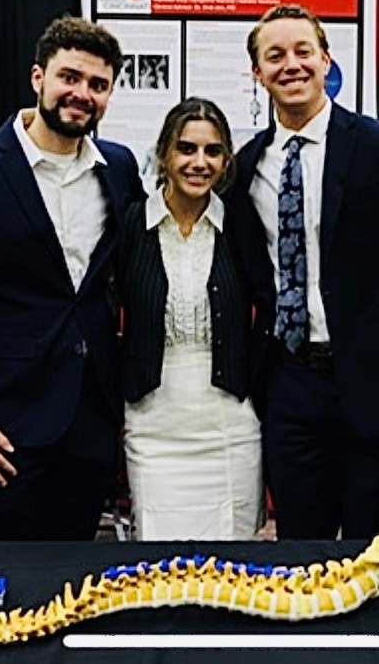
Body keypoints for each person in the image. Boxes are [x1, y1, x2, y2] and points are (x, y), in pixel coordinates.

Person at [0, 15, 144, 540]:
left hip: (91, 418)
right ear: (38, 77)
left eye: (98, 85)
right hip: (3, 423)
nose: (81, 93)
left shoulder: (119, 167)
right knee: (6, 583)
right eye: (70, 77)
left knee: (76, 579)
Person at [228, 4, 379, 540]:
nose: (291, 65)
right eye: (274, 55)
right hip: (291, 386)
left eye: (303, 51)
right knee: (303, 551)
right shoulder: (246, 165)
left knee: (376, 553)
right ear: (257, 73)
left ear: (326, 60)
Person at [116, 97, 262, 540]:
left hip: (230, 426)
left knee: (233, 568)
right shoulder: (129, 225)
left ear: (226, 160)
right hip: (153, 424)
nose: (199, 162)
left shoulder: (243, 226)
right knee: (159, 564)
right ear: (164, 154)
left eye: (213, 151)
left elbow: (272, 308)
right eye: (186, 149)